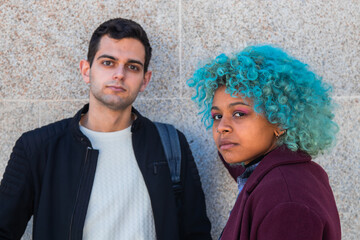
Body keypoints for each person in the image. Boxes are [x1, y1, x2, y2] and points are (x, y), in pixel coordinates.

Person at [0, 18, 211, 240]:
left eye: (132, 66)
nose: (120, 74)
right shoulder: (38, 148)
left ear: (144, 80)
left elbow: (196, 233)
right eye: (108, 62)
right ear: (86, 70)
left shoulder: (171, 143)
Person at [187, 45, 341, 240]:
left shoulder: (286, 200)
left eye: (239, 113)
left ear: (281, 121)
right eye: (217, 116)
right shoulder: (283, 172)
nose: (221, 127)